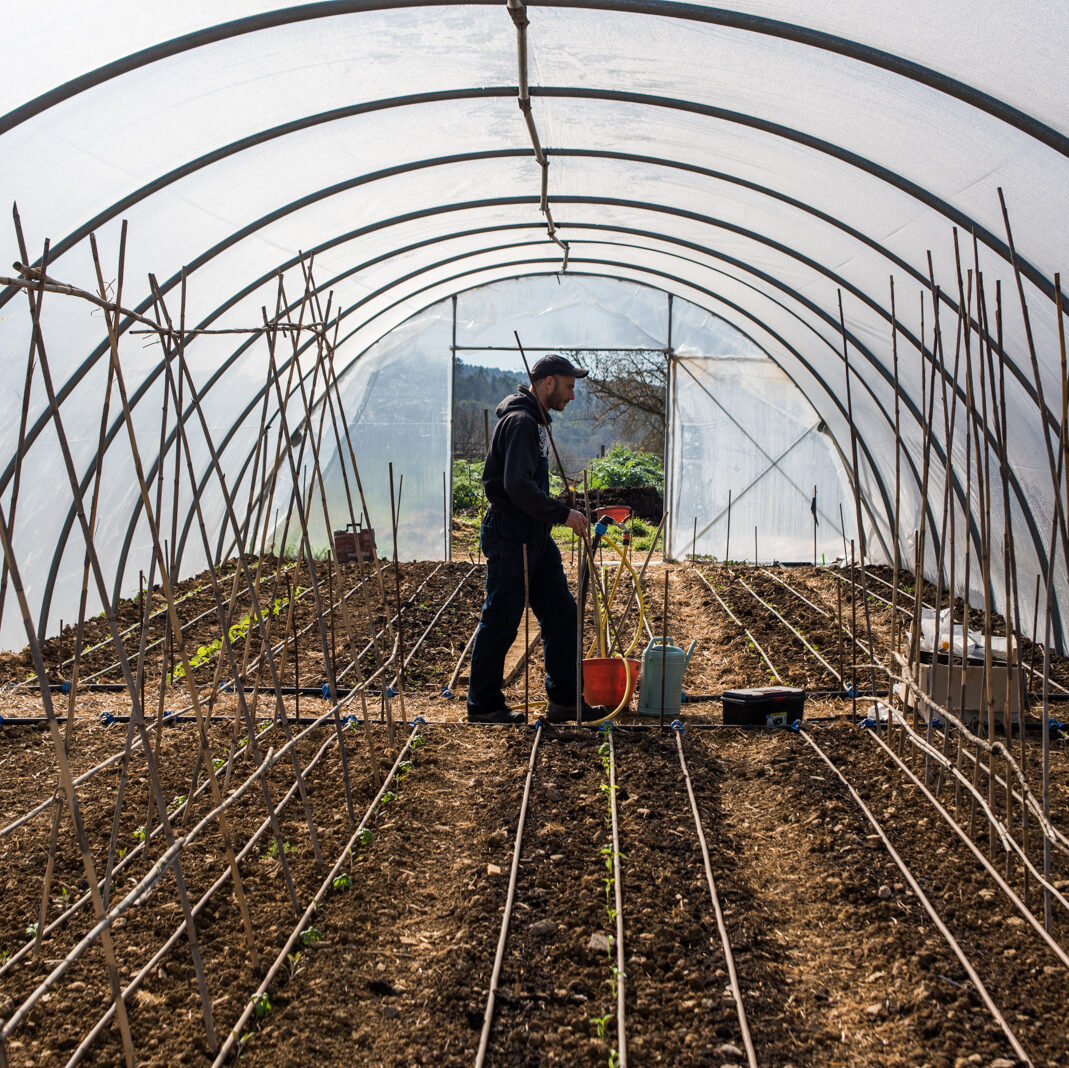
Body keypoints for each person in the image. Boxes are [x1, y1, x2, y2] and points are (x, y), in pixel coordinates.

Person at [466, 354, 609, 725]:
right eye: (569, 386)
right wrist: (563, 513)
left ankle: (564, 701)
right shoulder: (521, 422)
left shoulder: (535, 423)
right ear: (548, 382)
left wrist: (556, 509)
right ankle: (483, 705)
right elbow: (516, 486)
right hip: (512, 535)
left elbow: (527, 484)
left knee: (562, 613)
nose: (573, 395)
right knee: (501, 618)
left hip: (535, 536)